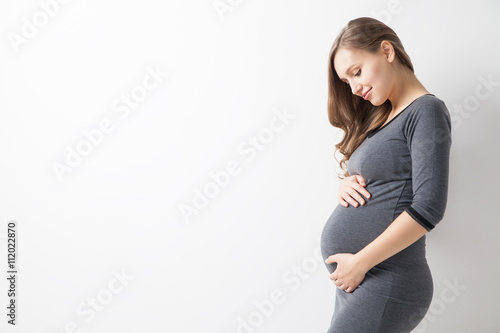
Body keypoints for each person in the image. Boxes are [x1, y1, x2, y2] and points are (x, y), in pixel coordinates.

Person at [320, 17, 452, 332]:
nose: (354, 88)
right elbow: (384, 180)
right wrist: (346, 184)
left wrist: (360, 262)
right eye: (346, 81)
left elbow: (428, 207)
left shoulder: (426, 111)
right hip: (361, 279)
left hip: (389, 279)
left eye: (356, 72)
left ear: (386, 51)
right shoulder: (383, 117)